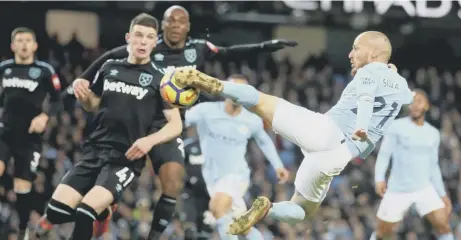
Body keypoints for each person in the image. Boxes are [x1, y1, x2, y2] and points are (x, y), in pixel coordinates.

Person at [64, 5, 297, 238]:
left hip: (169, 120)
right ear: (162, 25)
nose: (175, 26)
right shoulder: (150, 46)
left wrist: (265, 47)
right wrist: (83, 79)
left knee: (177, 183)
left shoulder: (198, 49)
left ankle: (153, 234)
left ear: (188, 27)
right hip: (140, 116)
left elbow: (229, 52)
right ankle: (102, 202)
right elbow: (111, 55)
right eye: (170, 21)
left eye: (181, 22)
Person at [169, 30, 414, 235]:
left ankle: (212, 83)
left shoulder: (368, 72)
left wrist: (360, 122)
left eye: (355, 48)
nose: (350, 54)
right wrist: (388, 69)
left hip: (326, 131)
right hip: (337, 158)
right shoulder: (402, 86)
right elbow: (404, 95)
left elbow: (366, 97)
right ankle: (269, 209)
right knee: (302, 211)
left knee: (260, 102)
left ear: (372, 54)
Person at [34, 13, 182, 240]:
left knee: (85, 212)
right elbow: (94, 105)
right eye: (139, 35)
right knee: (56, 212)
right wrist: (84, 96)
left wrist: (148, 141)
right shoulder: (110, 66)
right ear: (128, 38)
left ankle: (99, 210)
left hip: (125, 159)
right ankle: (104, 212)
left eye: (149, 37)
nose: (143, 41)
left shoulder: (162, 79)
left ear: (155, 42)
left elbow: (176, 125)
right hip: (93, 151)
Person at [184, 74, 290, 240]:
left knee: (217, 208)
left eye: (242, 91)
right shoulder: (205, 110)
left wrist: (278, 165)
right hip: (212, 177)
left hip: (236, 175)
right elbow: (181, 122)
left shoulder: (251, 120)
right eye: (234, 89)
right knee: (239, 224)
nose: (237, 95)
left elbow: (264, 141)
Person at [0, 27, 62, 239]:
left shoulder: (44, 70)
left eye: (28, 40)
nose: (24, 44)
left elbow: (57, 99)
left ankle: (22, 230)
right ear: (12, 45)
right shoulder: (4, 68)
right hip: (4, 132)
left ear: (35, 46)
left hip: (29, 138)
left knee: (22, 185)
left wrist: (44, 116)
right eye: (20, 40)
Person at [371, 90, 453, 240]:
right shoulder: (396, 126)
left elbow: (433, 166)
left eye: (419, 101)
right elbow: (384, 155)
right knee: (382, 233)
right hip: (398, 189)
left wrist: (442, 194)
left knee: (444, 227)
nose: (414, 105)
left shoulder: (433, 133)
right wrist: (379, 179)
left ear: (426, 105)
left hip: (424, 188)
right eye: (411, 102)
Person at [180, 127, 214, 240]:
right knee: (189, 229)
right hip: (191, 193)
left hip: (209, 195)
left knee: (206, 231)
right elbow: (177, 164)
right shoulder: (187, 145)